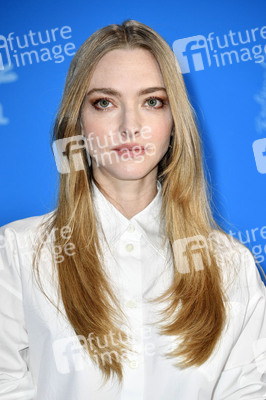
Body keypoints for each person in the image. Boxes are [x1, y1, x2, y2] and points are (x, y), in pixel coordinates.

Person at [0, 19, 265, 400]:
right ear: (76, 122)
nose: (129, 126)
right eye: (104, 103)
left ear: (174, 122)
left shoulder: (232, 266)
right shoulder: (15, 254)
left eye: (152, 102)